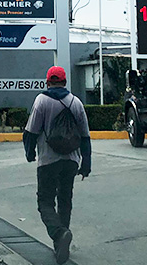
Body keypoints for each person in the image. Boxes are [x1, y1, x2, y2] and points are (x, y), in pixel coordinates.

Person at [23, 66, 92, 264]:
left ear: (47, 82)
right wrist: (86, 164)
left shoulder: (41, 100)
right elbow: (85, 137)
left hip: (47, 160)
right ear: (65, 82)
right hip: (71, 160)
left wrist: (29, 153)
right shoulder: (76, 102)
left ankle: (60, 233)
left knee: (44, 201)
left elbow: (31, 132)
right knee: (65, 199)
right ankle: (61, 243)